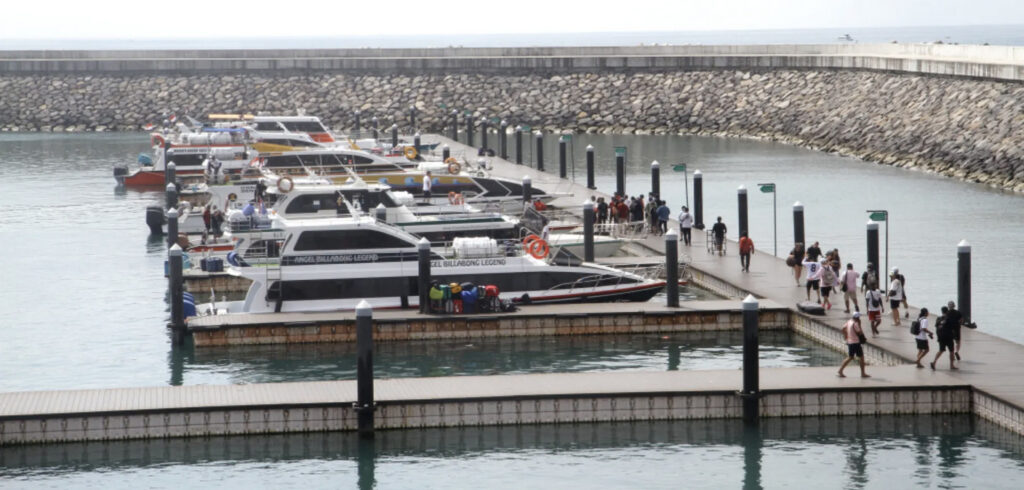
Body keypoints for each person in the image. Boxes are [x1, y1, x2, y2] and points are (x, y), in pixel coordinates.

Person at [838, 313, 870, 378]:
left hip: (850, 342)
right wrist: (860, 325)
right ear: (857, 318)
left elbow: (843, 328)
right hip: (856, 342)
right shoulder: (855, 324)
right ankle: (862, 373)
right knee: (859, 357)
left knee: (852, 357)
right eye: (859, 318)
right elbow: (860, 332)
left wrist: (846, 336)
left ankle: (840, 370)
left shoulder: (849, 321)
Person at [931, 306, 958, 370]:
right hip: (949, 337)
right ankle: (951, 365)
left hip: (941, 337)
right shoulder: (949, 318)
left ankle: (934, 362)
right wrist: (955, 337)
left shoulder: (938, 318)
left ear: (941, 311)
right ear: (947, 311)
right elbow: (953, 328)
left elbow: (936, 327)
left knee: (941, 350)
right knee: (951, 351)